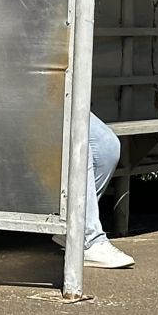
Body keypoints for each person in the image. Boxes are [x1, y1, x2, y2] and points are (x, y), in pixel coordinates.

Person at [53, 113, 133, 269]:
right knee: (79, 144)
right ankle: (87, 239)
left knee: (107, 147)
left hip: (59, 93)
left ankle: (72, 227)